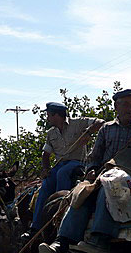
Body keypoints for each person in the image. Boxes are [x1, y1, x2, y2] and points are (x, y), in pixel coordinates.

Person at [39, 89, 131, 253]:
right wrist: (91, 170)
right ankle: (62, 243)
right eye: (126, 104)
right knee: (81, 193)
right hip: (104, 173)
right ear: (116, 106)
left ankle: (99, 239)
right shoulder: (107, 129)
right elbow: (94, 155)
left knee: (109, 187)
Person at [22, 102, 105, 240]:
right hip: (59, 164)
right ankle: (35, 228)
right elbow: (46, 154)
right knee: (46, 183)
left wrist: (89, 132)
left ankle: (61, 214)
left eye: (48, 115)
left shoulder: (78, 123)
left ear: (56, 115)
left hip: (77, 163)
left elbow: (101, 122)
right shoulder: (51, 133)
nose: (47, 118)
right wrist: (46, 169)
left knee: (63, 173)